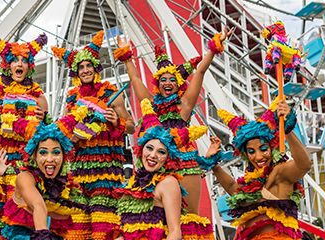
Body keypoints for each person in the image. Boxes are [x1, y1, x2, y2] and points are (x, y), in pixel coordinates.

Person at [114, 27, 233, 217]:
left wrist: (214, 47)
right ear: (158, 83)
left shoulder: (184, 106)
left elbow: (200, 71)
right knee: (154, 219)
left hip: (183, 163)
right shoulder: (150, 104)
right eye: (163, 79)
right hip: (153, 163)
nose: (167, 83)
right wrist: (127, 55)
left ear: (178, 84)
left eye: (172, 80)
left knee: (190, 217)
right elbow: (134, 78)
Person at [52, 30, 136, 240]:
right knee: (76, 231)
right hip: (78, 170)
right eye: (81, 67)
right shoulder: (71, 99)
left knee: (103, 229)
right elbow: (64, 131)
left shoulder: (111, 93)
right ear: (75, 71)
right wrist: (71, 137)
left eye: (89, 65)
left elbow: (133, 126)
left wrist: (117, 121)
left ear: (96, 67)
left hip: (106, 171)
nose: (85, 69)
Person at [0, 33, 49, 239]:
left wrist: (43, 117)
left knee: (19, 215)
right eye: (15, 60)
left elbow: (47, 137)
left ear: (30, 66)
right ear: (7, 65)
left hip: (22, 161)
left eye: (24, 60)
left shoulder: (39, 97)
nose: (19, 64)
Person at [107, 98, 216, 240]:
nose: (153, 155)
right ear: (141, 150)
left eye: (161, 152)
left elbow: (175, 232)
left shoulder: (168, 183)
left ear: (167, 159)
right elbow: (127, 230)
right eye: (149, 148)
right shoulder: (133, 185)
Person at [211, 98, 311, 240]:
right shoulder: (249, 183)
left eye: (263, 149)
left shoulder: (279, 173)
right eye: (251, 152)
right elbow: (233, 188)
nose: (258, 157)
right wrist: (214, 165)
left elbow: (304, 165)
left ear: (272, 147)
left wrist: (287, 130)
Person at [0, 121, 85, 239]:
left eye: (55, 152)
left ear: (64, 155)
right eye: (43, 153)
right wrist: (43, 236)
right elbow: (38, 205)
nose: (49, 159)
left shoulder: (66, 185)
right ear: (34, 155)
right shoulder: (25, 177)